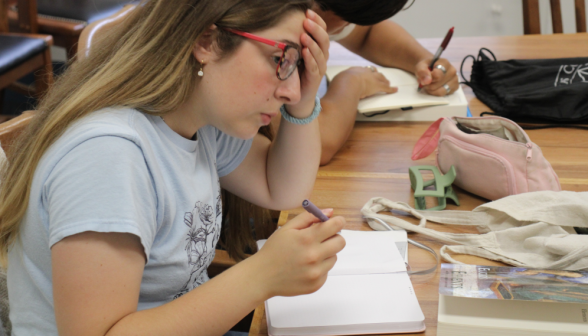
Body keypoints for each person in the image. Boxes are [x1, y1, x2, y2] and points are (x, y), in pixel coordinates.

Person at [0, 0, 346, 335]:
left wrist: (304, 102)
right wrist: (262, 276)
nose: (292, 90)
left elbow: (282, 188)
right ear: (206, 41)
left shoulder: (198, 120)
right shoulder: (108, 155)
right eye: (280, 59)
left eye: (298, 67)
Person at [308, 0, 461, 165]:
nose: (348, 27)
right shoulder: (282, 26)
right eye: (347, 22)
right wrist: (352, 81)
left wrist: (423, 61)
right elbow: (313, 144)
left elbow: (366, 34)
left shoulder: (320, 10)